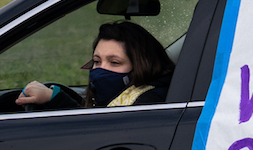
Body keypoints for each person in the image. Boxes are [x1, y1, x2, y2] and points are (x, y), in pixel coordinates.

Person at [17, 21, 174, 110]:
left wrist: (56, 99)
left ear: (141, 66)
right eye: (97, 61)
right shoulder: (116, 100)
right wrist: (52, 97)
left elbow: (99, 136)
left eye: (114, 62)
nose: (100, 70)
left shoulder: (146, 104)